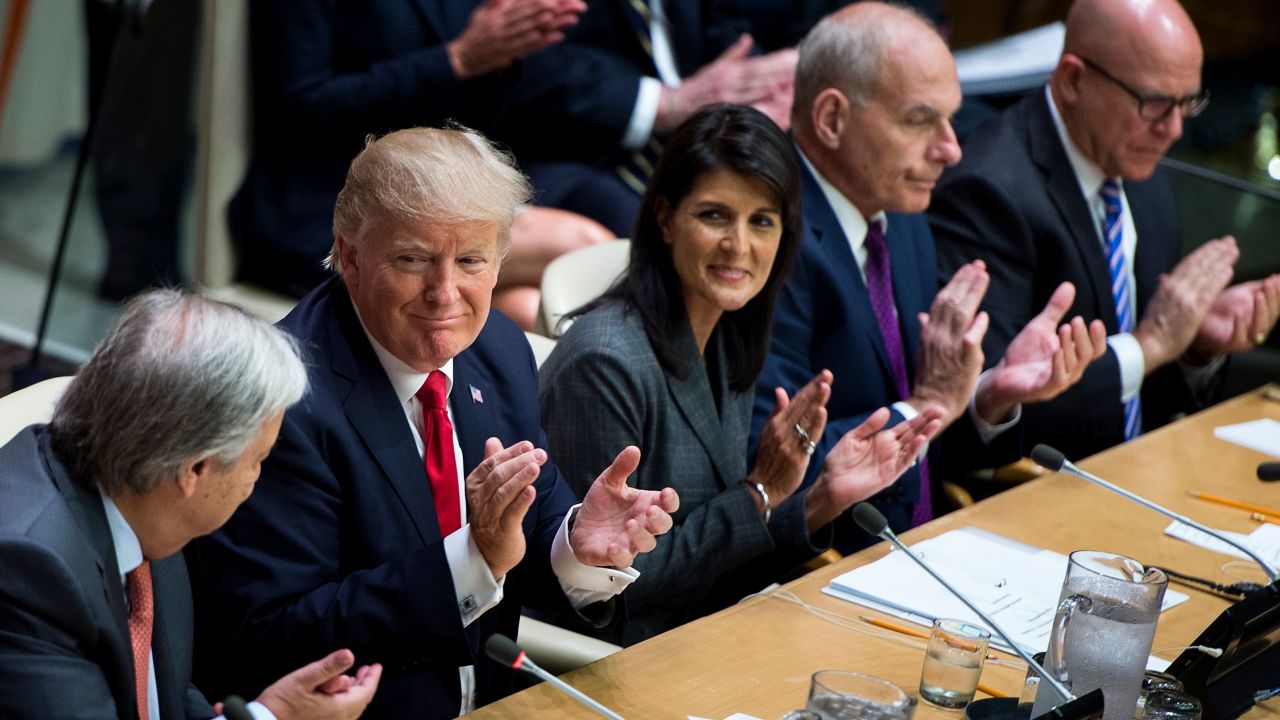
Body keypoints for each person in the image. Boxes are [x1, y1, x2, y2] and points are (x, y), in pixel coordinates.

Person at [190, 126, 680, 719]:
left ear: (500, 261)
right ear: (350, 256)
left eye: (470, 260)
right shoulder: (282, 398)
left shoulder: (497, 348)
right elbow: (278, 636)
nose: (444, 293)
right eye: (413, 260)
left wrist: (575, 543)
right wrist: (475, 559)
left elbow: (526, 512)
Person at [538, 104, 943, 645]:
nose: (739, 245)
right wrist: (759, 491)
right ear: (664, 218)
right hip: (630, 657)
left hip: (717, 630)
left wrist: (823, 495)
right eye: (713, 216)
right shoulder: (604, 363)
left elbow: (717, 555)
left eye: (762, 221)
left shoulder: (729, 333)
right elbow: (615, 588)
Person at [756, 2, 1107, 552]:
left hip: (930, 551)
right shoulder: (767, 238)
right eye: (920, 120)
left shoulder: (901, 215)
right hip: (822, 570)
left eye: (951, 118)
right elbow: (769, 471)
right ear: (832, 119)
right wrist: (924, 405)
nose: (951, 148)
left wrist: (987, 397)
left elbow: (932, 450)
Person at [0, 290, 381, 720]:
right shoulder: (29, 570)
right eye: (258, 459)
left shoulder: (148, 508)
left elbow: (168, 697)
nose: (258, 477)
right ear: (194, 468)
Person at [928, 0, 1280, 461]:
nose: (1174, 129)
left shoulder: (1141, 174)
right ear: (1074, 80)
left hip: (1142, 473)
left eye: (1189, 102)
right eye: (1155, 103)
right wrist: (1152, 343)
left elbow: (1147, 390)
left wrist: (1196, 344)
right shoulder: (987, 190)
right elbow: (989, 415)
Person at [231, 0, 612, 329]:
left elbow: (477, 115)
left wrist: (504, 56)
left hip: (450, 186)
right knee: (581, 246)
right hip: (329, 205)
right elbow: (298, 111)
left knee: (529, 311)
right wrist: (457, 59)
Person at [499, 1, 798, 236]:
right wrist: (668, 103)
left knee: (787, 213)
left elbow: (728, 35)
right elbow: (530, 64)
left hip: (700, 135)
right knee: (666, 236)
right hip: (575, 153)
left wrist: (762, 91)